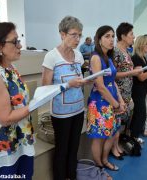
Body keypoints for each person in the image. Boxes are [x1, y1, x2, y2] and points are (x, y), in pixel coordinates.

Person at [0, 22, 35, 179]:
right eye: (15, 41)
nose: (20, 45)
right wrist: (35, 104)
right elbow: (5, 119)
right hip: (4, 147)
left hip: (19, 139)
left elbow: (12, 100)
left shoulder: (10, 69)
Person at [41, 16, 89, 180]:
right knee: (62, 149)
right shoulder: (51, 57)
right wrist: (68, 84)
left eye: (80, 35)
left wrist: (83, 81)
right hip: (61, 113)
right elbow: (45, 89)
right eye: (73, 34)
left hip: (78, 109)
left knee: (74, 146)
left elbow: (79, 80)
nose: (77, 39)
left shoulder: (79, 56)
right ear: (62, 34)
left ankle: (72, 175)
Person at [87, 25, 125, 173]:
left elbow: (113, 81)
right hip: (100, 103)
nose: (111, 40)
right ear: (99, 39)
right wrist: (116, 104)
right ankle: (99, 166)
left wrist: (120, 100)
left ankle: (104, 160)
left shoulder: (108, 57)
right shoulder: (96, 58)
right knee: (99, 136)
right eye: (107, 36)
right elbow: (101, 86)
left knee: (111, 133)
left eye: (112, 36)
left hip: (113, 101)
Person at [113, 22, 142, 155]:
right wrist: (131, 73)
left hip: (127, 92)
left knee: (121, 121)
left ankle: (117, 144)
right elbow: (113, 75)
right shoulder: (116, 51)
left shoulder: (126, 51)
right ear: (123, 36)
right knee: (116, 121)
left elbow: (126, 70)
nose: (134, 37)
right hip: (118, 92)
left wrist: (134, 70)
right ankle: (114, 147)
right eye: (131, 34)